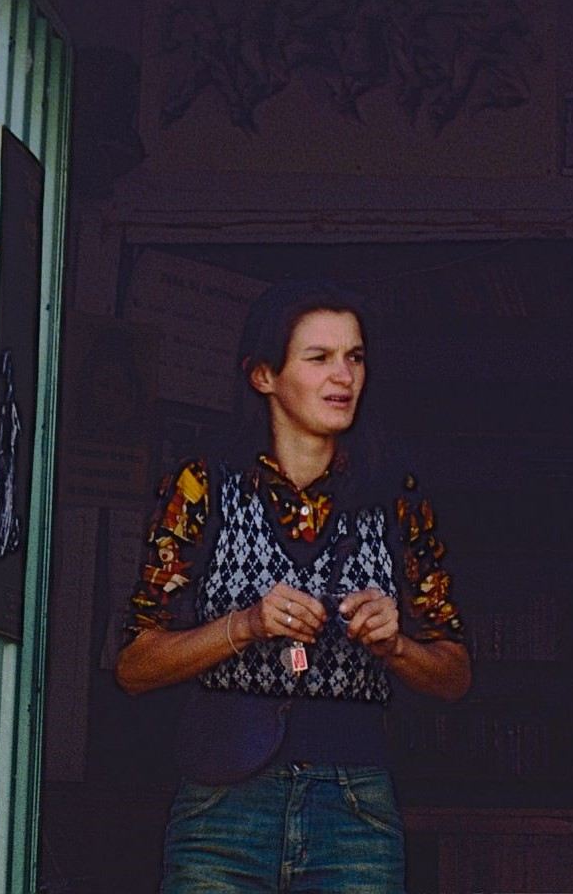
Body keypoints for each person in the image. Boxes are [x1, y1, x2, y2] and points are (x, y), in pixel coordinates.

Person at [116, 280, 471, 893]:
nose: (344, 376)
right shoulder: (204, 487)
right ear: (263, 376)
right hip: (223, 802)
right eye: (319, 357)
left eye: (355, 357)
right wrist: (244, 626)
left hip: (355, 807)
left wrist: (397, 647)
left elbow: (456, 676)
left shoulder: (393, 495)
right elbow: (134, 667)